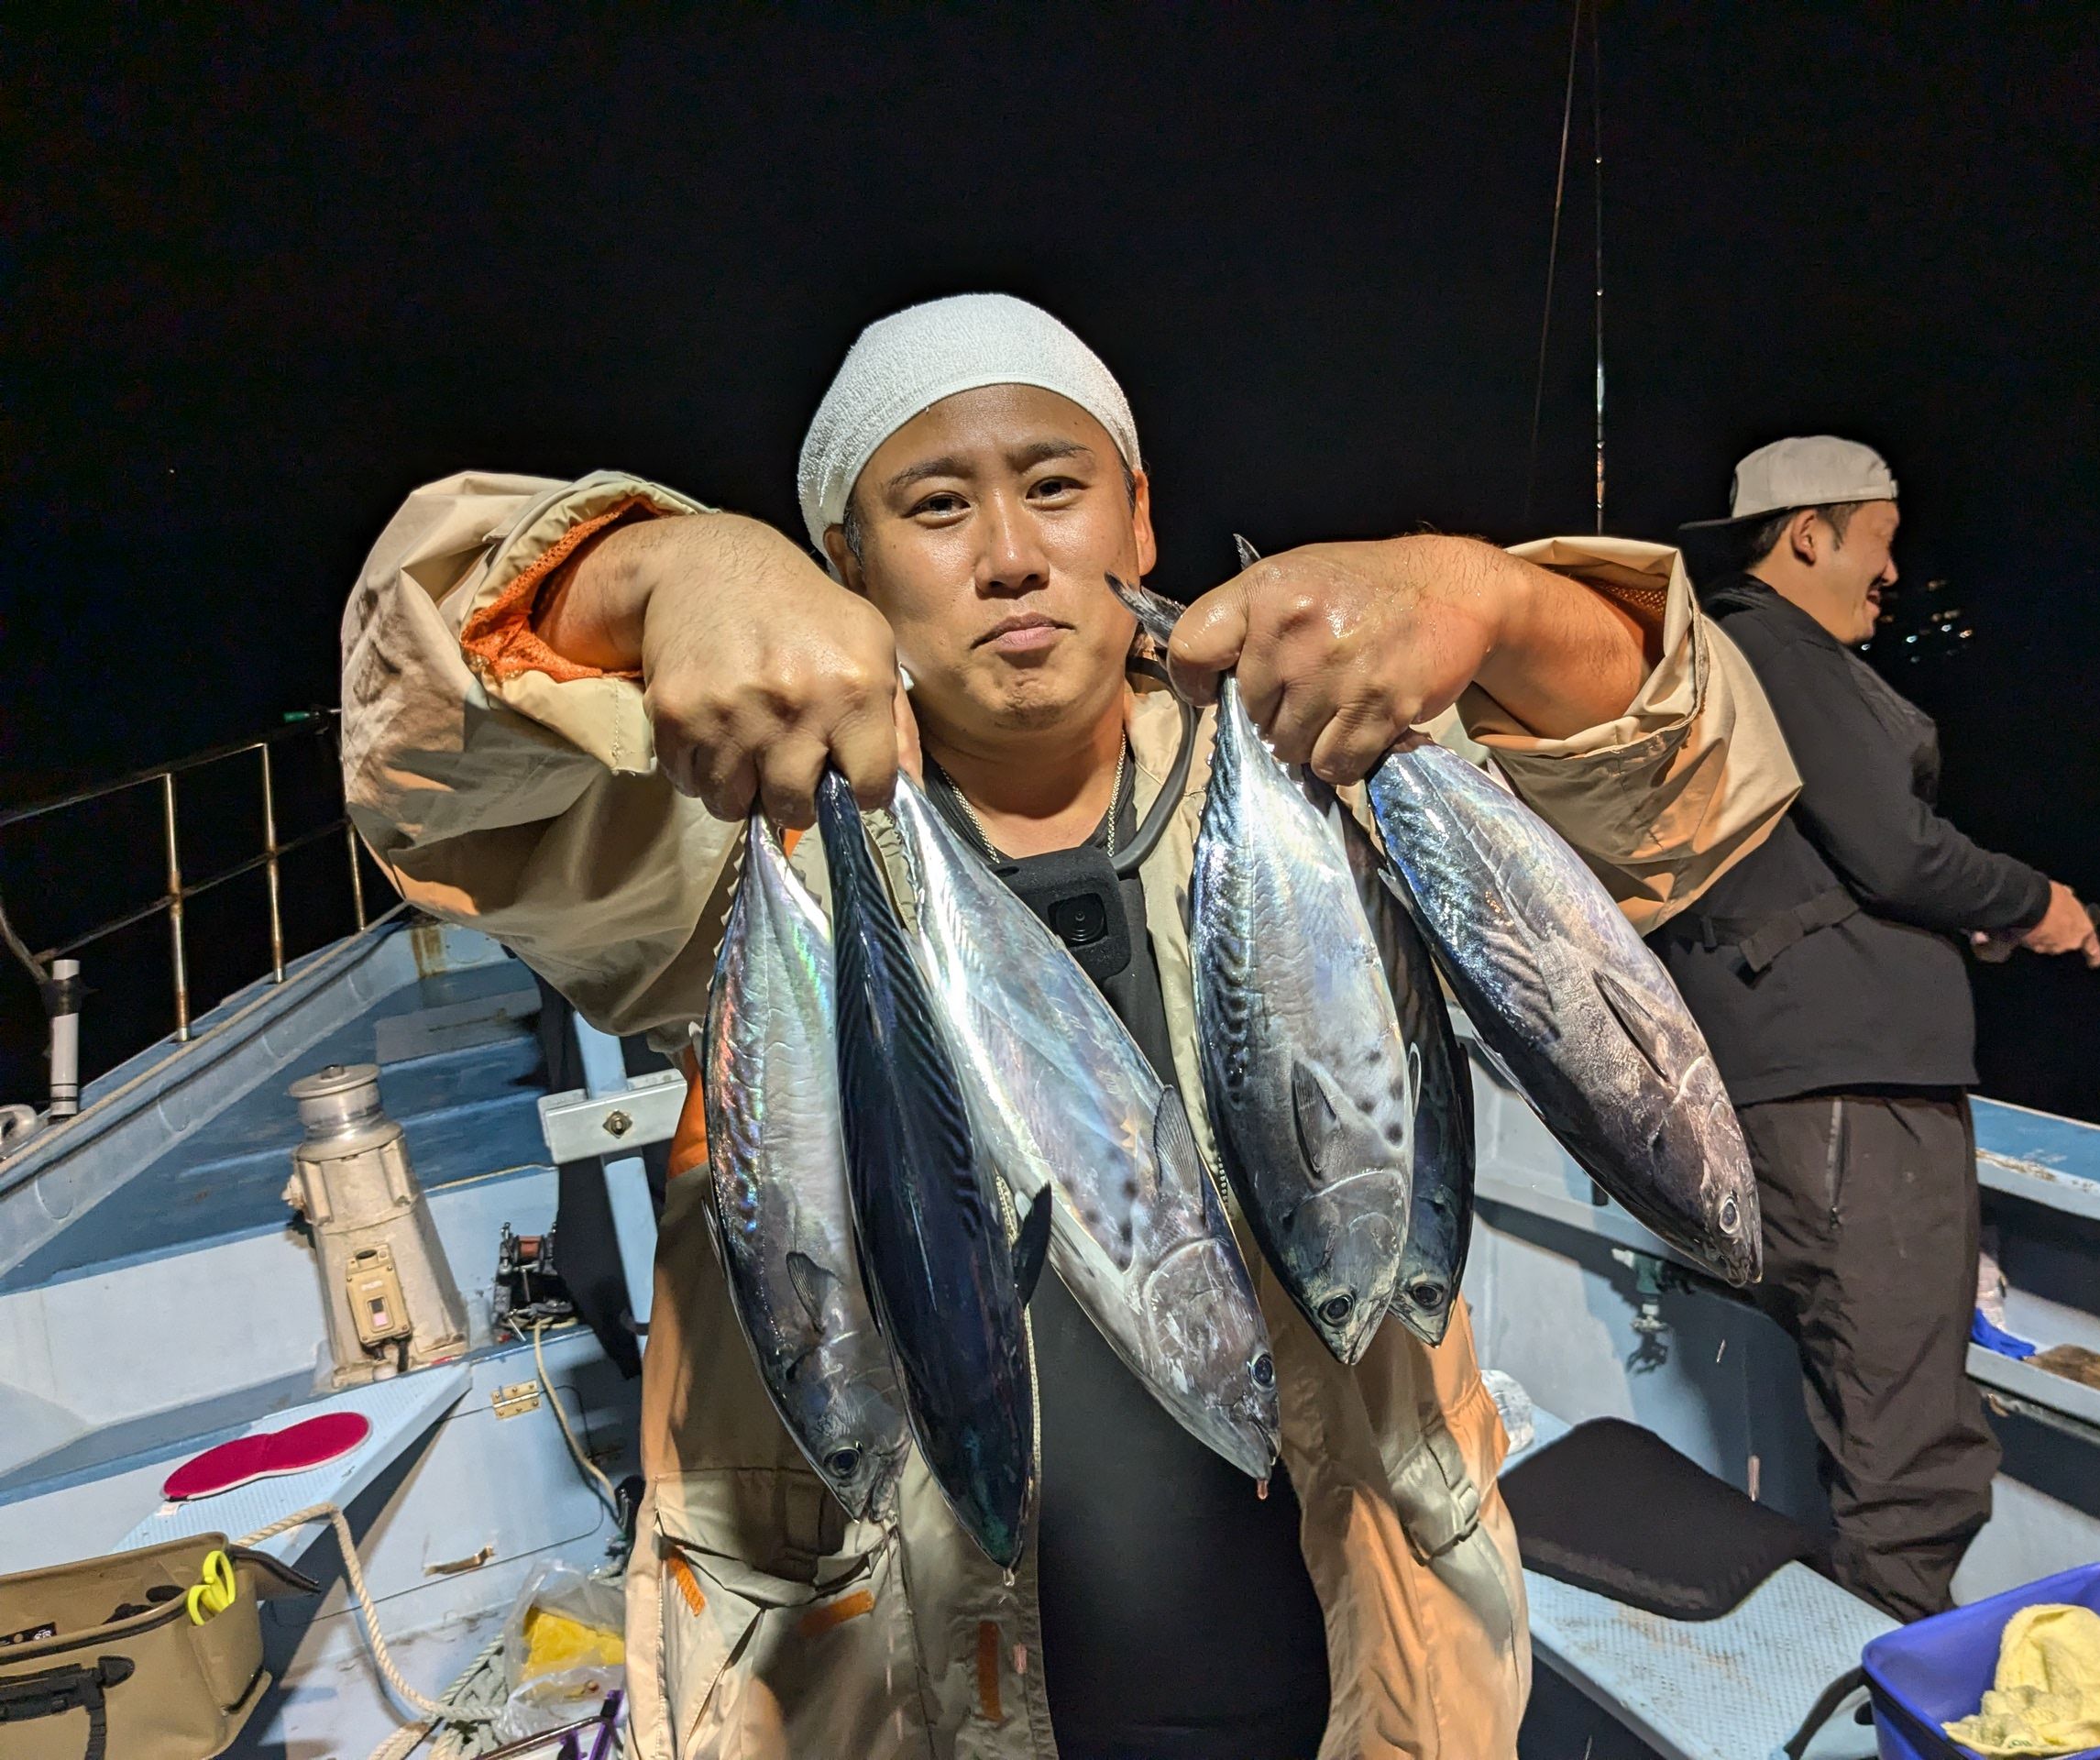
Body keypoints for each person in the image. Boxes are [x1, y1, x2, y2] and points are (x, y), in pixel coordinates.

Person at [339, 293, 1801, 1759]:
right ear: (845, 562)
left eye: (1054, 485)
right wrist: (661, 572)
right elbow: (413, 752)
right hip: (910, 1703)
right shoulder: (725, 827)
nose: (1011, 554)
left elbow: (1689, 780)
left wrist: (1487, 595)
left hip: (1369, 1676)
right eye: (934, 507)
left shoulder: (1333, 764)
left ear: (1140, 518)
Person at [1665, 436, 2100, 1622]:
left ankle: (1865, 1651)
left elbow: (1821, 866)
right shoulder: (1775, 647)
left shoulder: (1745, 655)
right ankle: (1893, 1689)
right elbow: (1896, 850)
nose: (1894, 573)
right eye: (1883, 542)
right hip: (1849, 1101)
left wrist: (1965, 924)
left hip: (1817, 1087)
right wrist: (2038, 902)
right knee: (1910, 1456)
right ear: (1811, 534)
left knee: (1874, 1416)